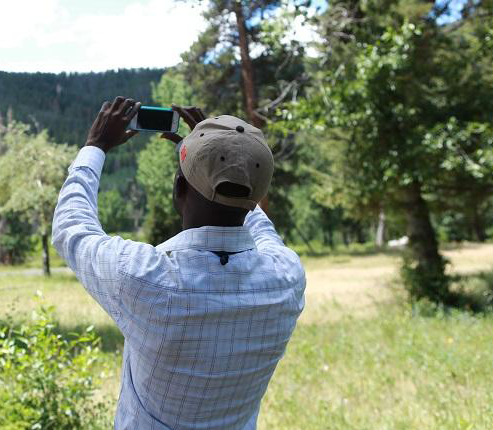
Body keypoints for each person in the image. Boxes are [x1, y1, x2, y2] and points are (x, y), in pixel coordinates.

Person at [51, 96, 306, 429]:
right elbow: (257, 223)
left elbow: (72, 228)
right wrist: (230, 160)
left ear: (178, 188)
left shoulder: (147, 277)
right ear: (255, 197)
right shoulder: (286, 277)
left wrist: (95, 146)